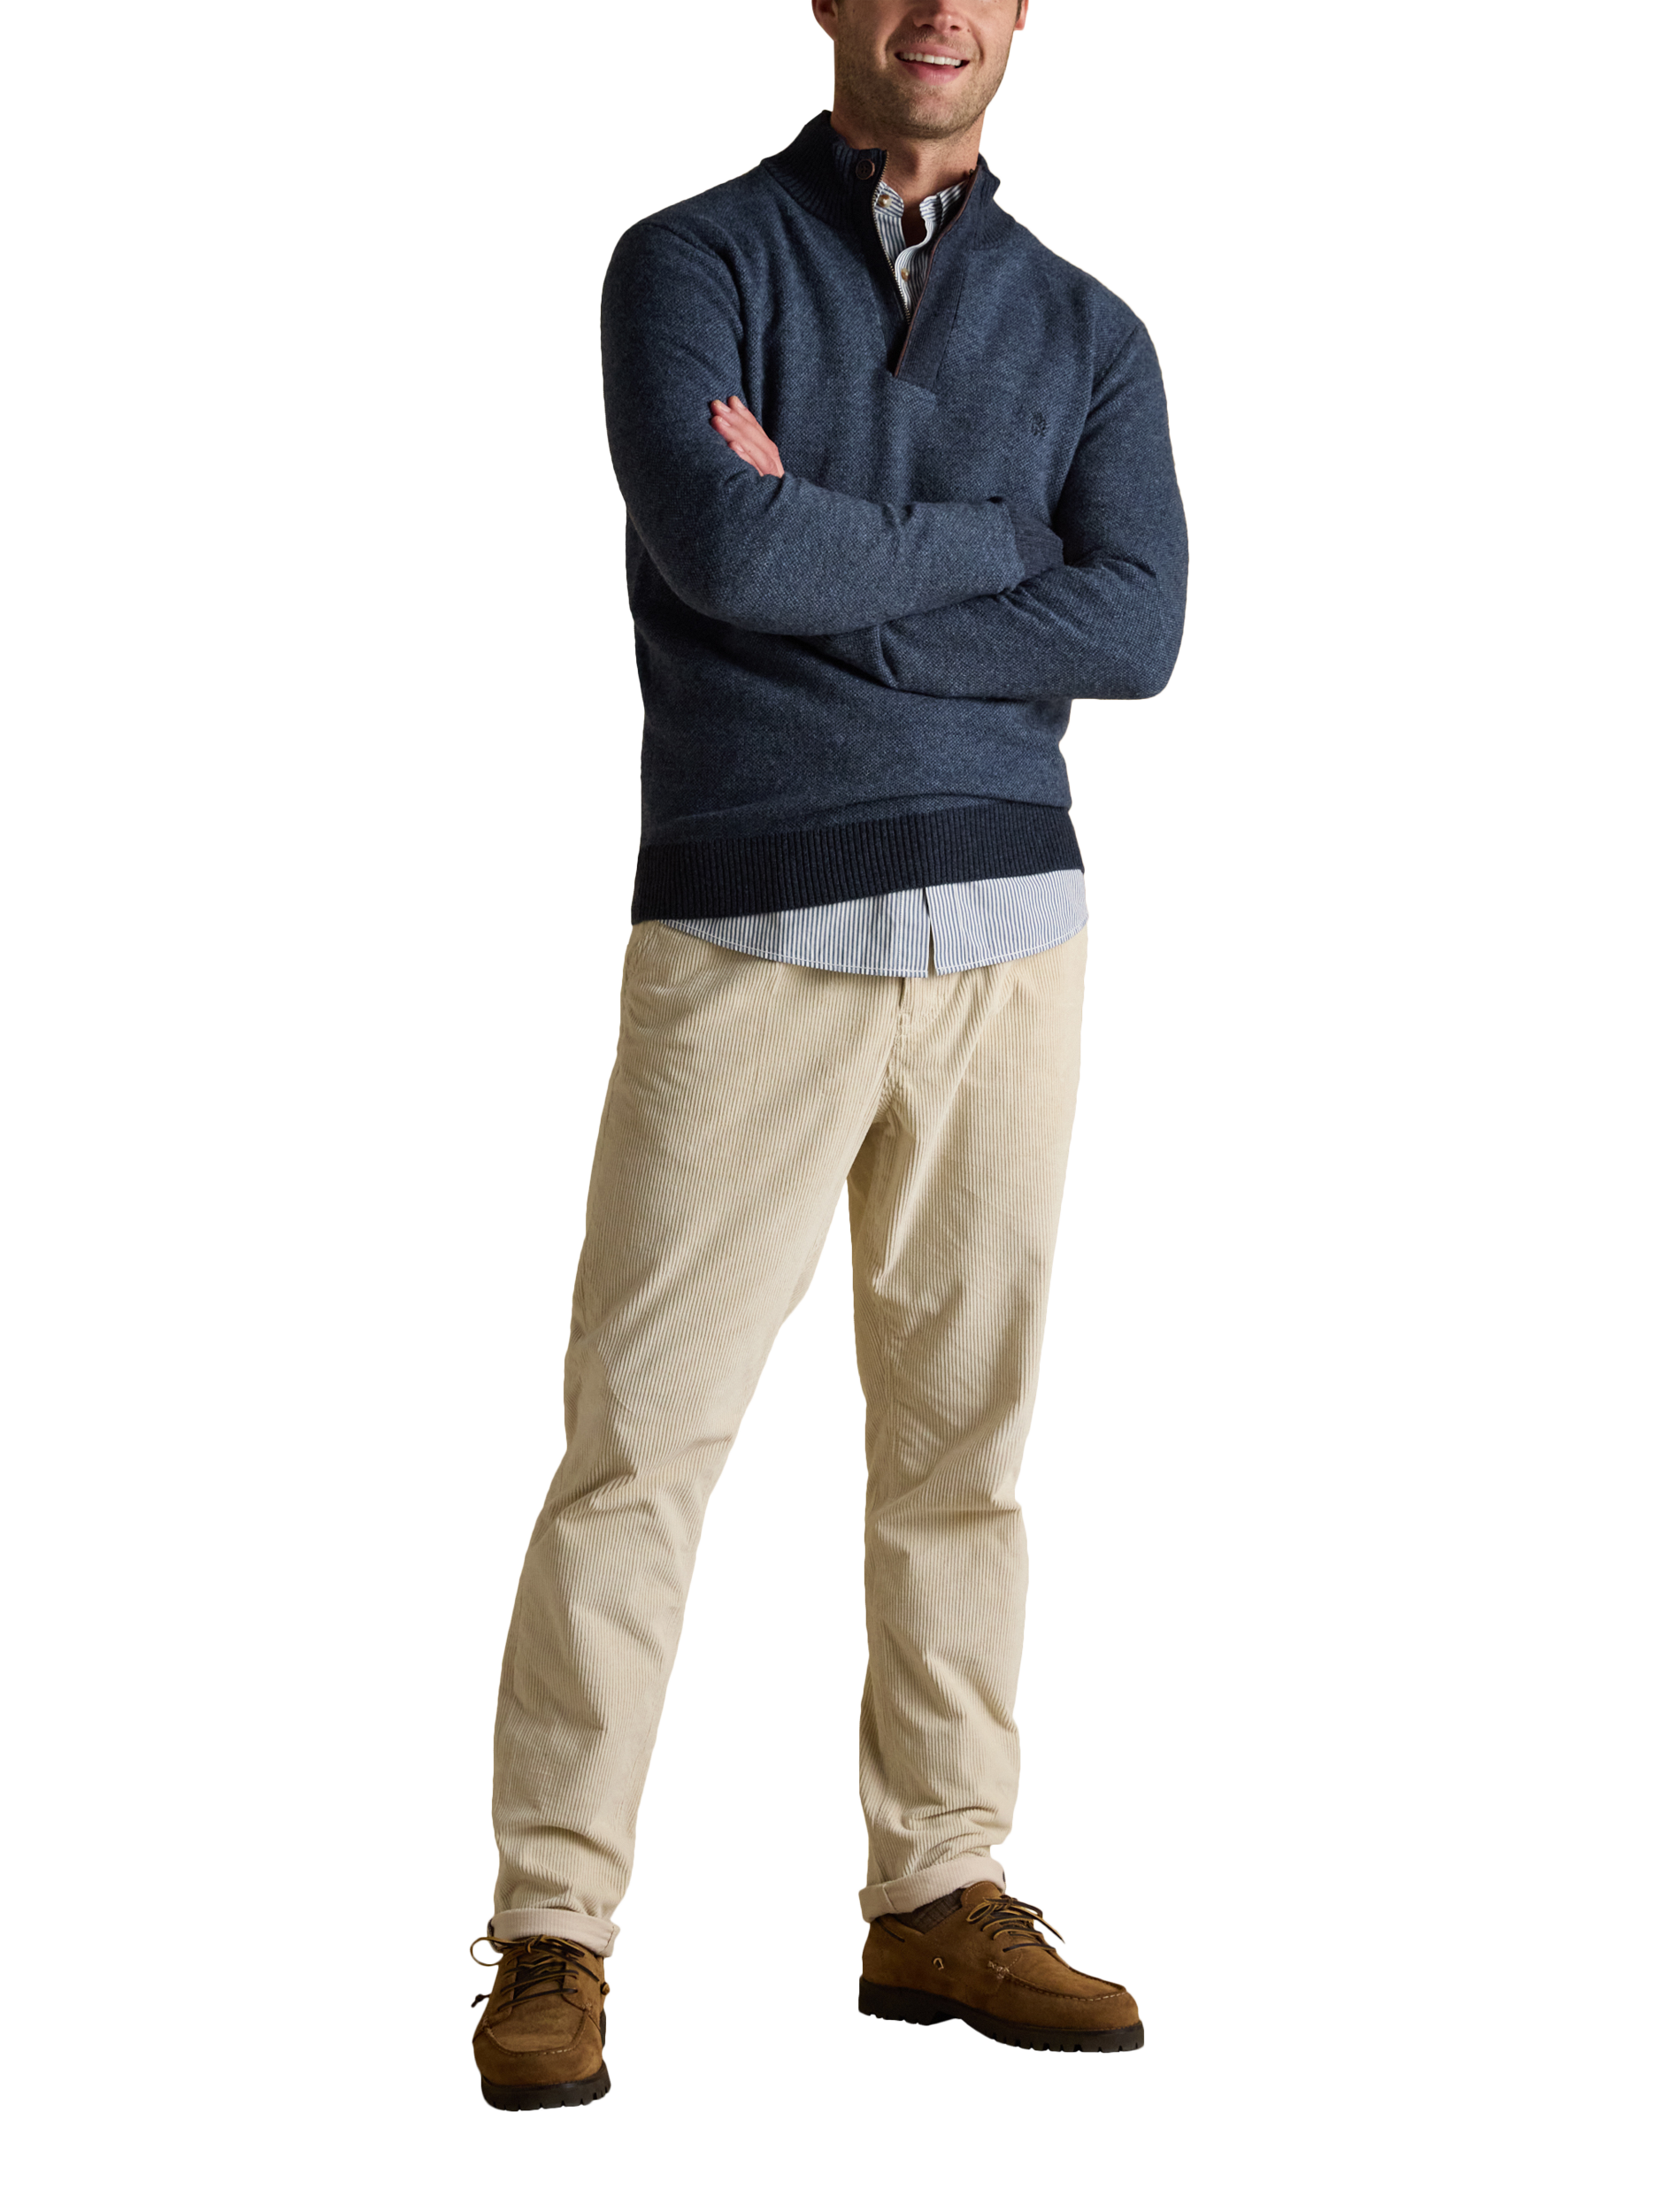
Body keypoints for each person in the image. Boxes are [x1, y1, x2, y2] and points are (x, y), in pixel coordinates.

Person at [468, 0, 1187, 2108]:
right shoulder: (688, 263)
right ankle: (552, 1924)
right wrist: (999, 543)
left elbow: (1137, 621)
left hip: (1011, 943)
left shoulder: (1090, 332)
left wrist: (841, 571)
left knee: (966, 1444)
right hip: (748, 934)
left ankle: (939, 1888)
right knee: (639, 1443)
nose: (936, 11)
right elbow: (723, 545)